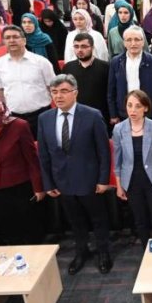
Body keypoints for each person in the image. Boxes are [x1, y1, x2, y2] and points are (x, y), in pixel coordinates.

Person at [38, 74, 113, 274]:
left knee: (98, 219)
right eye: (54, 92)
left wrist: (103, 179)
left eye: (64, 91)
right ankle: (81, 251)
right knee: (75, 220)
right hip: (62, 181)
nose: (58, 96)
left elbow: (103, 152)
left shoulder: (92, 115)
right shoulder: (44, 119)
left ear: (75, 93)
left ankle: (103, 252)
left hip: (89, 179)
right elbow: (44, 155)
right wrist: (48, 183)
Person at [0, 93, 45, 244]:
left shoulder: (19, 126)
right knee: (8, 230)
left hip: (20, 185)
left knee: (30, 228)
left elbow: (32, 160)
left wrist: (38, 187)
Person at [113, 90, 152, 248]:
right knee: (139, 218)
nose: (132, 110)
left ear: (145, 108)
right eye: (129, 105)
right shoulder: (119, 129)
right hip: (131, 181)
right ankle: (147, 248)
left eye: (137, 106)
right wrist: (119, 185)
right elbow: (117, 160)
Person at [0, 25, 55, 138]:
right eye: (7, 38)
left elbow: (52, 88)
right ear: (3, 42)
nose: (11, 40)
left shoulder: (41, 62)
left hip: (42, 114)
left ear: (24, 40)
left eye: (15, 37)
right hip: (14, 117)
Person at [108, 26, 152, 124]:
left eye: (137, 40)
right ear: (124, 43)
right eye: (129, 40)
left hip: (148, 112)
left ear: (143, 42)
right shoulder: (116, 62)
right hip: (124, 113)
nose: (133, 43)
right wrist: (113, 114)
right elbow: (111, 91)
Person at [62, 33, 110, 124]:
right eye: (76, 46)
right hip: (76, 117)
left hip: (101, 116)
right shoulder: (68, 67)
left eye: (84, 46)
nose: (79, 50)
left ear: (92, 47)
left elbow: (110, 93)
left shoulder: (105, 67)